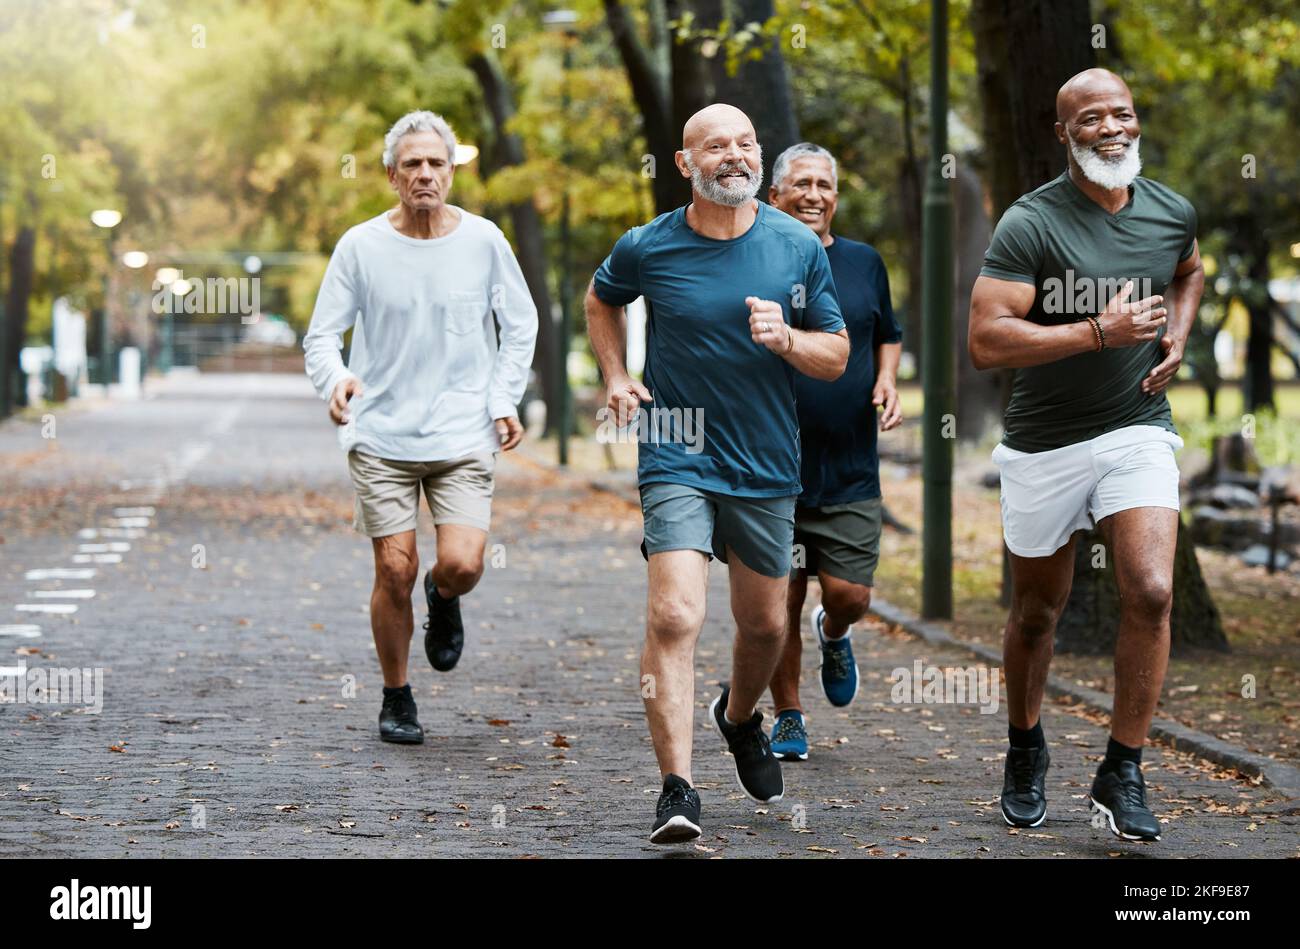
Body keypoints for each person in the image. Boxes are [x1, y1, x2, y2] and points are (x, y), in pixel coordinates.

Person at [586, 104, 849, 845]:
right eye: (716, 146)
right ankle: (678, 787)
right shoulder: (649, 245)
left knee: (765, 624)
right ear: (685, 163)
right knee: (675, 614)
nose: (734, 155)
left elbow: (836, 353)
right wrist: (615, 375)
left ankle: (737, 716)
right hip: (675, 445)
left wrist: (788, 338)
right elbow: (602, 299)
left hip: (766, 459)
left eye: (745, 143)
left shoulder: (796, 244)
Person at [968, 69, 1204, 841]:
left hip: (1137, 425)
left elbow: (1189, 269)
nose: (1112, 127)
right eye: (1092, 118)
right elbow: (986, 339)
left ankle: (1122, 768)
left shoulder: (1170, 210)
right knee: (1038, 610)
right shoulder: (1030, 223)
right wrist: (1096, 333)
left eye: (1123, 114)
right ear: (1063, 133)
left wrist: (1177, 334)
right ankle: (1025, 744)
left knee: (1152, 590)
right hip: (1044, 442)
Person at [303, 110, 537, 745]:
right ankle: (397, 695)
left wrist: (503, 397)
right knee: (394, 571)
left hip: (463, 433)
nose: (426, 174)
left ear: (453, 171)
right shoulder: (361, 246)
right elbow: (322, 336)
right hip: (381, 434)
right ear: (391, 175)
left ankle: (445, 596)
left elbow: (520, 324)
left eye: (437, 163)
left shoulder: (485, 241)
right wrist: (336, 379)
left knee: (460, 564)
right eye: (413, 164)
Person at [764, 143, 903, 761]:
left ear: (836, 197)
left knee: (848, 594)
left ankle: (836, 629)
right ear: (775, 197)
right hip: (770, 468)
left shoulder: (865, 262)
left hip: (850, 465)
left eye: (824, 184)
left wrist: (887, 378)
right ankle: (788, 715)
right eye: (801, 184)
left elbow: (888, 334)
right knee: (778, 602)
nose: (814, 194)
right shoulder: (756, 260)